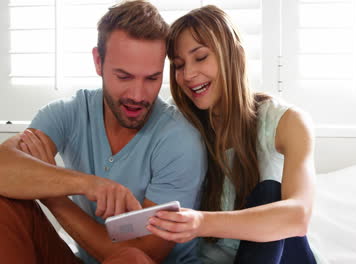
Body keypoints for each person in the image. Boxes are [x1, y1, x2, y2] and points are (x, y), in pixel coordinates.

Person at [0, 1, 206, 264]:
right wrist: (87, 184)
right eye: (124, 76)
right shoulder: (69, 112)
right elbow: (3, 167)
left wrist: (53, 196)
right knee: (5, 203)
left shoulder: (179, 139)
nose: (137, 95)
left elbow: (143, 254)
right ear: (98, 62)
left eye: (152, 78)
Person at [146, 5, 324, 264]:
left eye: (200, 57)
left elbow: (298, 216)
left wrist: (200, 223)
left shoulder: (288, 122)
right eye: (178, 65)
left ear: (233, 55)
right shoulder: (176, 126)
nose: (188, 75)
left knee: (269, 193)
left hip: (282, 256)